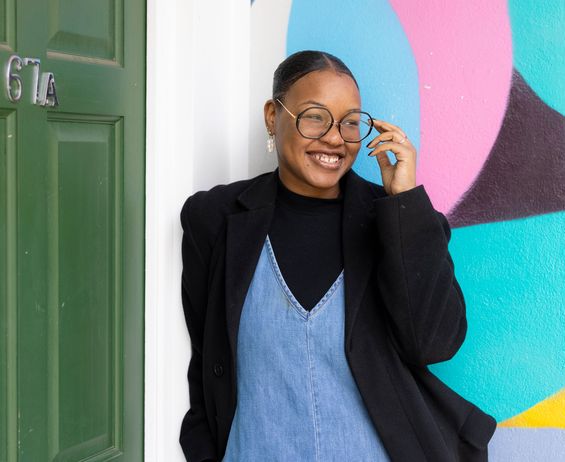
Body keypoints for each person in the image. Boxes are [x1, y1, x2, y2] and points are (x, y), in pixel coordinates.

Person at [179, 50, 496, 462]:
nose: (334, 137)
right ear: (273, 117)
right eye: (314, 116)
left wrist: (405, 203)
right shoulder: (215, 219)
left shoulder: (395, 219)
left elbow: (435, 343)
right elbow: (207, 359)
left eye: (350, 123)